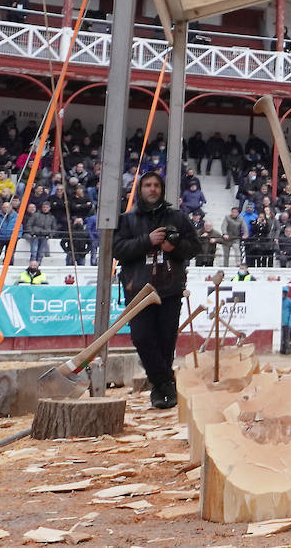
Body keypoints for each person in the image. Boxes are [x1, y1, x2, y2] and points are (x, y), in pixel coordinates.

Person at [111, 171, 201, 408]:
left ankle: (160, 389)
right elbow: (117, 249)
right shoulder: (127, 220)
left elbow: (195, 247)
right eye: (147, 185)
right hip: (138, 289)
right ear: (140, 190)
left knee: (165, 341)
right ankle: (164, 383)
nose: (152, 189)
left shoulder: (177, 217)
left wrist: (174, 246)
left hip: (169, 288)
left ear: (161, 189)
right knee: (141, 338)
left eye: (156, 185)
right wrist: (147, 241)